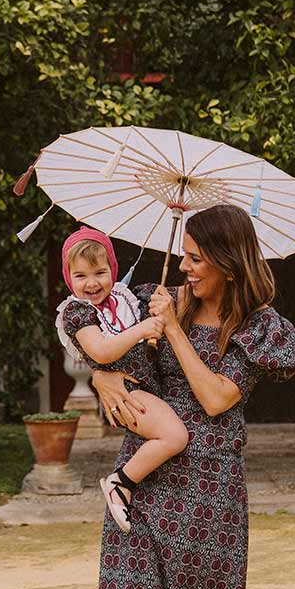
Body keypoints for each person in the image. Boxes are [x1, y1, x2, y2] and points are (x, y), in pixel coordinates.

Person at [84, 203, 295, 589]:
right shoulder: (161, 301)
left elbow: (215, 398)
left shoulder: (257, 327)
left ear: (228, 263)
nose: (184, 267)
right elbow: (102, 340)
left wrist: (175, 331)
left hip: (209, 487)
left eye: (196, 258)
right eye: (183, 255)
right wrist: (102, 377)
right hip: (144, 474)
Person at [57, 226, 190, 531]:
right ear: (68, 277)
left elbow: (183, 296)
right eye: (80, 275)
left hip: (148, 387)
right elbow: (101, 351)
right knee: (175, 436)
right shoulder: (77, 312)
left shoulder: (126, 297)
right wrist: (142, 329)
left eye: (100, 272)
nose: (92, 283)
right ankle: (121, 482)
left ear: (113, 270)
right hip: (126, 390)